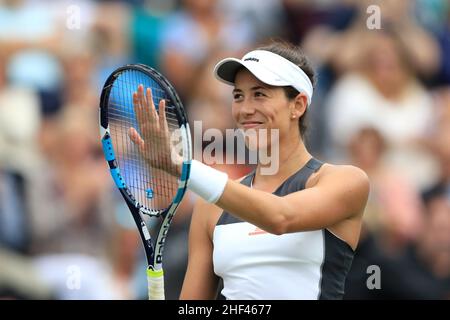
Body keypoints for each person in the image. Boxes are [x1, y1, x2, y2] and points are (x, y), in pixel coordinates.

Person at [129, 41, 370, 299]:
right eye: (238, 96)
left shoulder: (346, 181)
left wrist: (182, 166)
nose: (245, 109)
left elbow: (280, 217)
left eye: (259, 94)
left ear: (298, 105)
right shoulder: (209, 208)